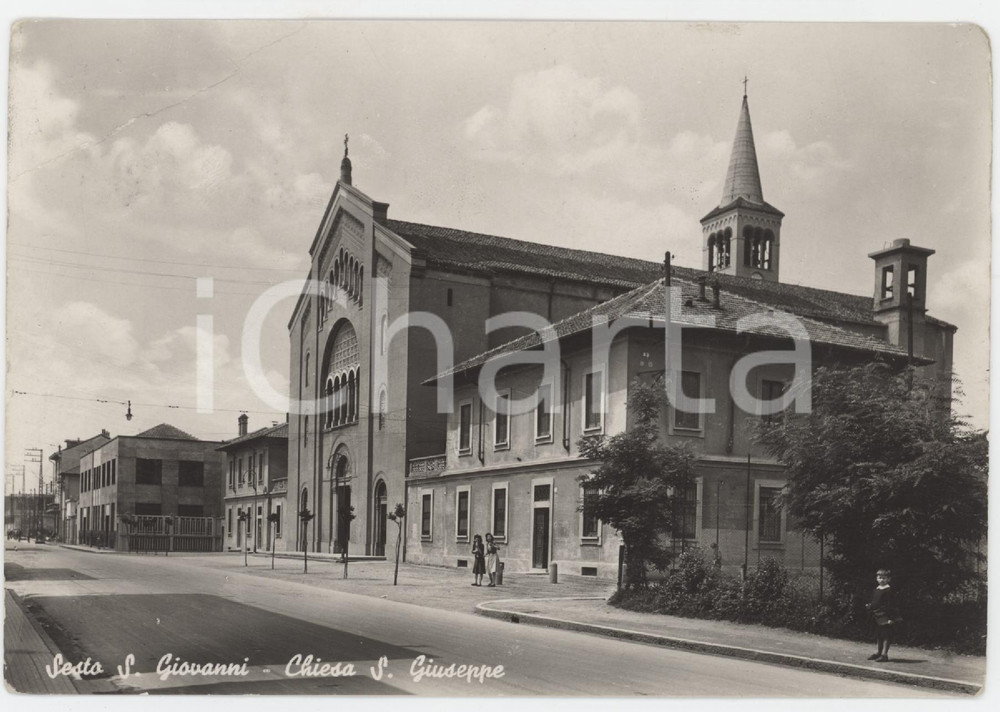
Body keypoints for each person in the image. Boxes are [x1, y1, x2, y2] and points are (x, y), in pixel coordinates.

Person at [866, 568, 901, 662]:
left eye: (884, 578)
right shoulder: (876, 589)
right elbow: (875, 602)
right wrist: (870, 606)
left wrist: (891, 618)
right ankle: (878, 653)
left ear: (889, 579)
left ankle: (884, 654)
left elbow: (891, 605)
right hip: (877, 616)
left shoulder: (889, 590)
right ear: (876, 578)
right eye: (880, 577)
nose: (882, 580)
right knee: (879, 635)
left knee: (886, 635)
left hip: (885, 616)